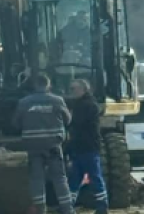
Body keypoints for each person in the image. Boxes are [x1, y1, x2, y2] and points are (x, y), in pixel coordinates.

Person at [13, 74, 76, 214]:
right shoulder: (57, 101)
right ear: (48, 85)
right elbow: (68, 120)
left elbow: (16, 124)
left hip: (33, 146)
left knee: (37, 179)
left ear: (34, 86)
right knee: (59, 178)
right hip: (53, 145)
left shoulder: (24, 102)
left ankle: (40, 210)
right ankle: (68, 210)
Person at [66, 79, 108, 213]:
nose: (71, 92)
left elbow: (76, 122)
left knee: (94, 177)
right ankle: (68, 206)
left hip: (88, 148)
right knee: (74, 180)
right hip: (78, 148)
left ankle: (102, 207)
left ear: (83, 90)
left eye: (74, 89)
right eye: (71, 89)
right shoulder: (79, 104)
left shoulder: (88, 105)